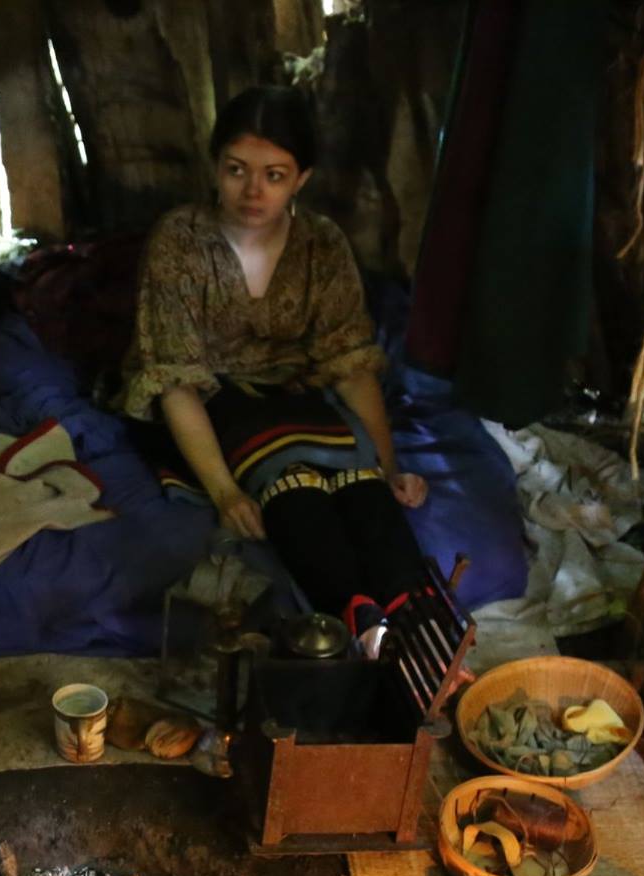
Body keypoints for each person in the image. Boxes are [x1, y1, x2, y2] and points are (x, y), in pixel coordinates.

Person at [123, 85, 431, 638]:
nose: (252, 191)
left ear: (301, 179)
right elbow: (174, 383)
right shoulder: (181, 242)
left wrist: (387, 470)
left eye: (274, 175)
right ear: (215, 165)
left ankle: (420, 624)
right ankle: (358, 626)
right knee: (292, 487)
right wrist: (225, 494)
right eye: (236, 170)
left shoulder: (320, 245)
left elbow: (350, 366)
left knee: (358, 483)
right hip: (204, 398)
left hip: (292, 392)